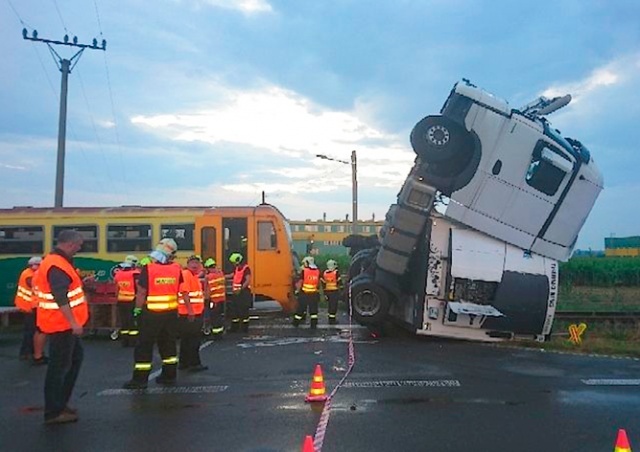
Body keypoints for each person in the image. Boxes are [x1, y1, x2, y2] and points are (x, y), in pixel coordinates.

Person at [34, 230, 89, 425]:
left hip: (62, 324)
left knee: (73, 360)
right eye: (79, 245)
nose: (80, 248)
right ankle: (53, 411)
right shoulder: (57, 265)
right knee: (59, 367)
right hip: (61, 324)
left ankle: (60, 404)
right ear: (70, 244)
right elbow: (60, 296)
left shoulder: (57, 262)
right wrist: (73, 322)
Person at [123, 241, 191, 389]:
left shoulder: (149, 269)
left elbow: (141, 292)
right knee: (168, 344)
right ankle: (169, 376)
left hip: (151, 314)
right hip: (171, 314)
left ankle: (140, 380)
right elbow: (180, 289)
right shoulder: (176, 269)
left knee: (144, 345)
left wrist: (137, 310)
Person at [15, 256, 48, 364]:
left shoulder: (30, 273)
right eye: (39, 265)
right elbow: (33, 284)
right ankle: (27, 353)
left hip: (31, 306)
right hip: (28, 306)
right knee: (31, 331)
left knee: (32, 330)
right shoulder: (28, 274)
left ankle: (31, 352)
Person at [178, 255, 207, 372]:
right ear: (188, 264)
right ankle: (194, 363)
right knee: (193, 340)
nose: (195, 265)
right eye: (193, 263)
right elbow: (185, 294)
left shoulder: (192, 275)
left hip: (190, 313)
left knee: (186, 339)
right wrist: (190, 311)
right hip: (190, 314)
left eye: (197, 263)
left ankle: (184, 363)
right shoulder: (186, 275)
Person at [113, 255, 140, 347]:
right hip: (132, 300)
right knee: (132, 321)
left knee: (124, 321)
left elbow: (116, 288)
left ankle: (124, 341)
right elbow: (138, 287)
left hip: (121, 300)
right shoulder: (135, 273)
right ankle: (133, 341)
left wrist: (117, 297)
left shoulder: (118, 273)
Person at [293, 256, 321, 329]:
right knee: (314, 311)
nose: (304, 264)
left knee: (300, 309)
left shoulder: (304, 271)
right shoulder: (317, 271)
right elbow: (318, 283)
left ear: (308, 263)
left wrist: (297, 291)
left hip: (304, 293)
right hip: (314, 294)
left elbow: (300, 281)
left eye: (305, 263)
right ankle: (313, 325)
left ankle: (295, 323)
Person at [228, 253, 252, 333]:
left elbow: (247, 280)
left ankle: (244, 328)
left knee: (244, 310)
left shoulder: (246, 268)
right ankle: (235, 327)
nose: (233, 264)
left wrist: (241, 289)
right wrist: (222, 277)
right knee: (235, 311)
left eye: (234, 262)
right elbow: (232, 275)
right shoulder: (237, 268)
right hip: (236, 293)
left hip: (243, 293)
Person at [204, 258, 226, 339]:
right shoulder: (220, 274)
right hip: (221, 299)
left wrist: (206, 299)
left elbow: (208, 290)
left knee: (214, 318)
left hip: (213, 300)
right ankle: (220, 333)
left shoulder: (209, 277)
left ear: (208, 268)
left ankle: (215, 334)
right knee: (219, 316)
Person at [321, 259, 342, 325]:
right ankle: (332, 320)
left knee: (330, 306)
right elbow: (340, 283)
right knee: (333, 306)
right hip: (334, 292)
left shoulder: (324, 273)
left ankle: (330, 319)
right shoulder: (336, 273)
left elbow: (323, 284)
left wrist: (325, 293)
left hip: (327, 292)